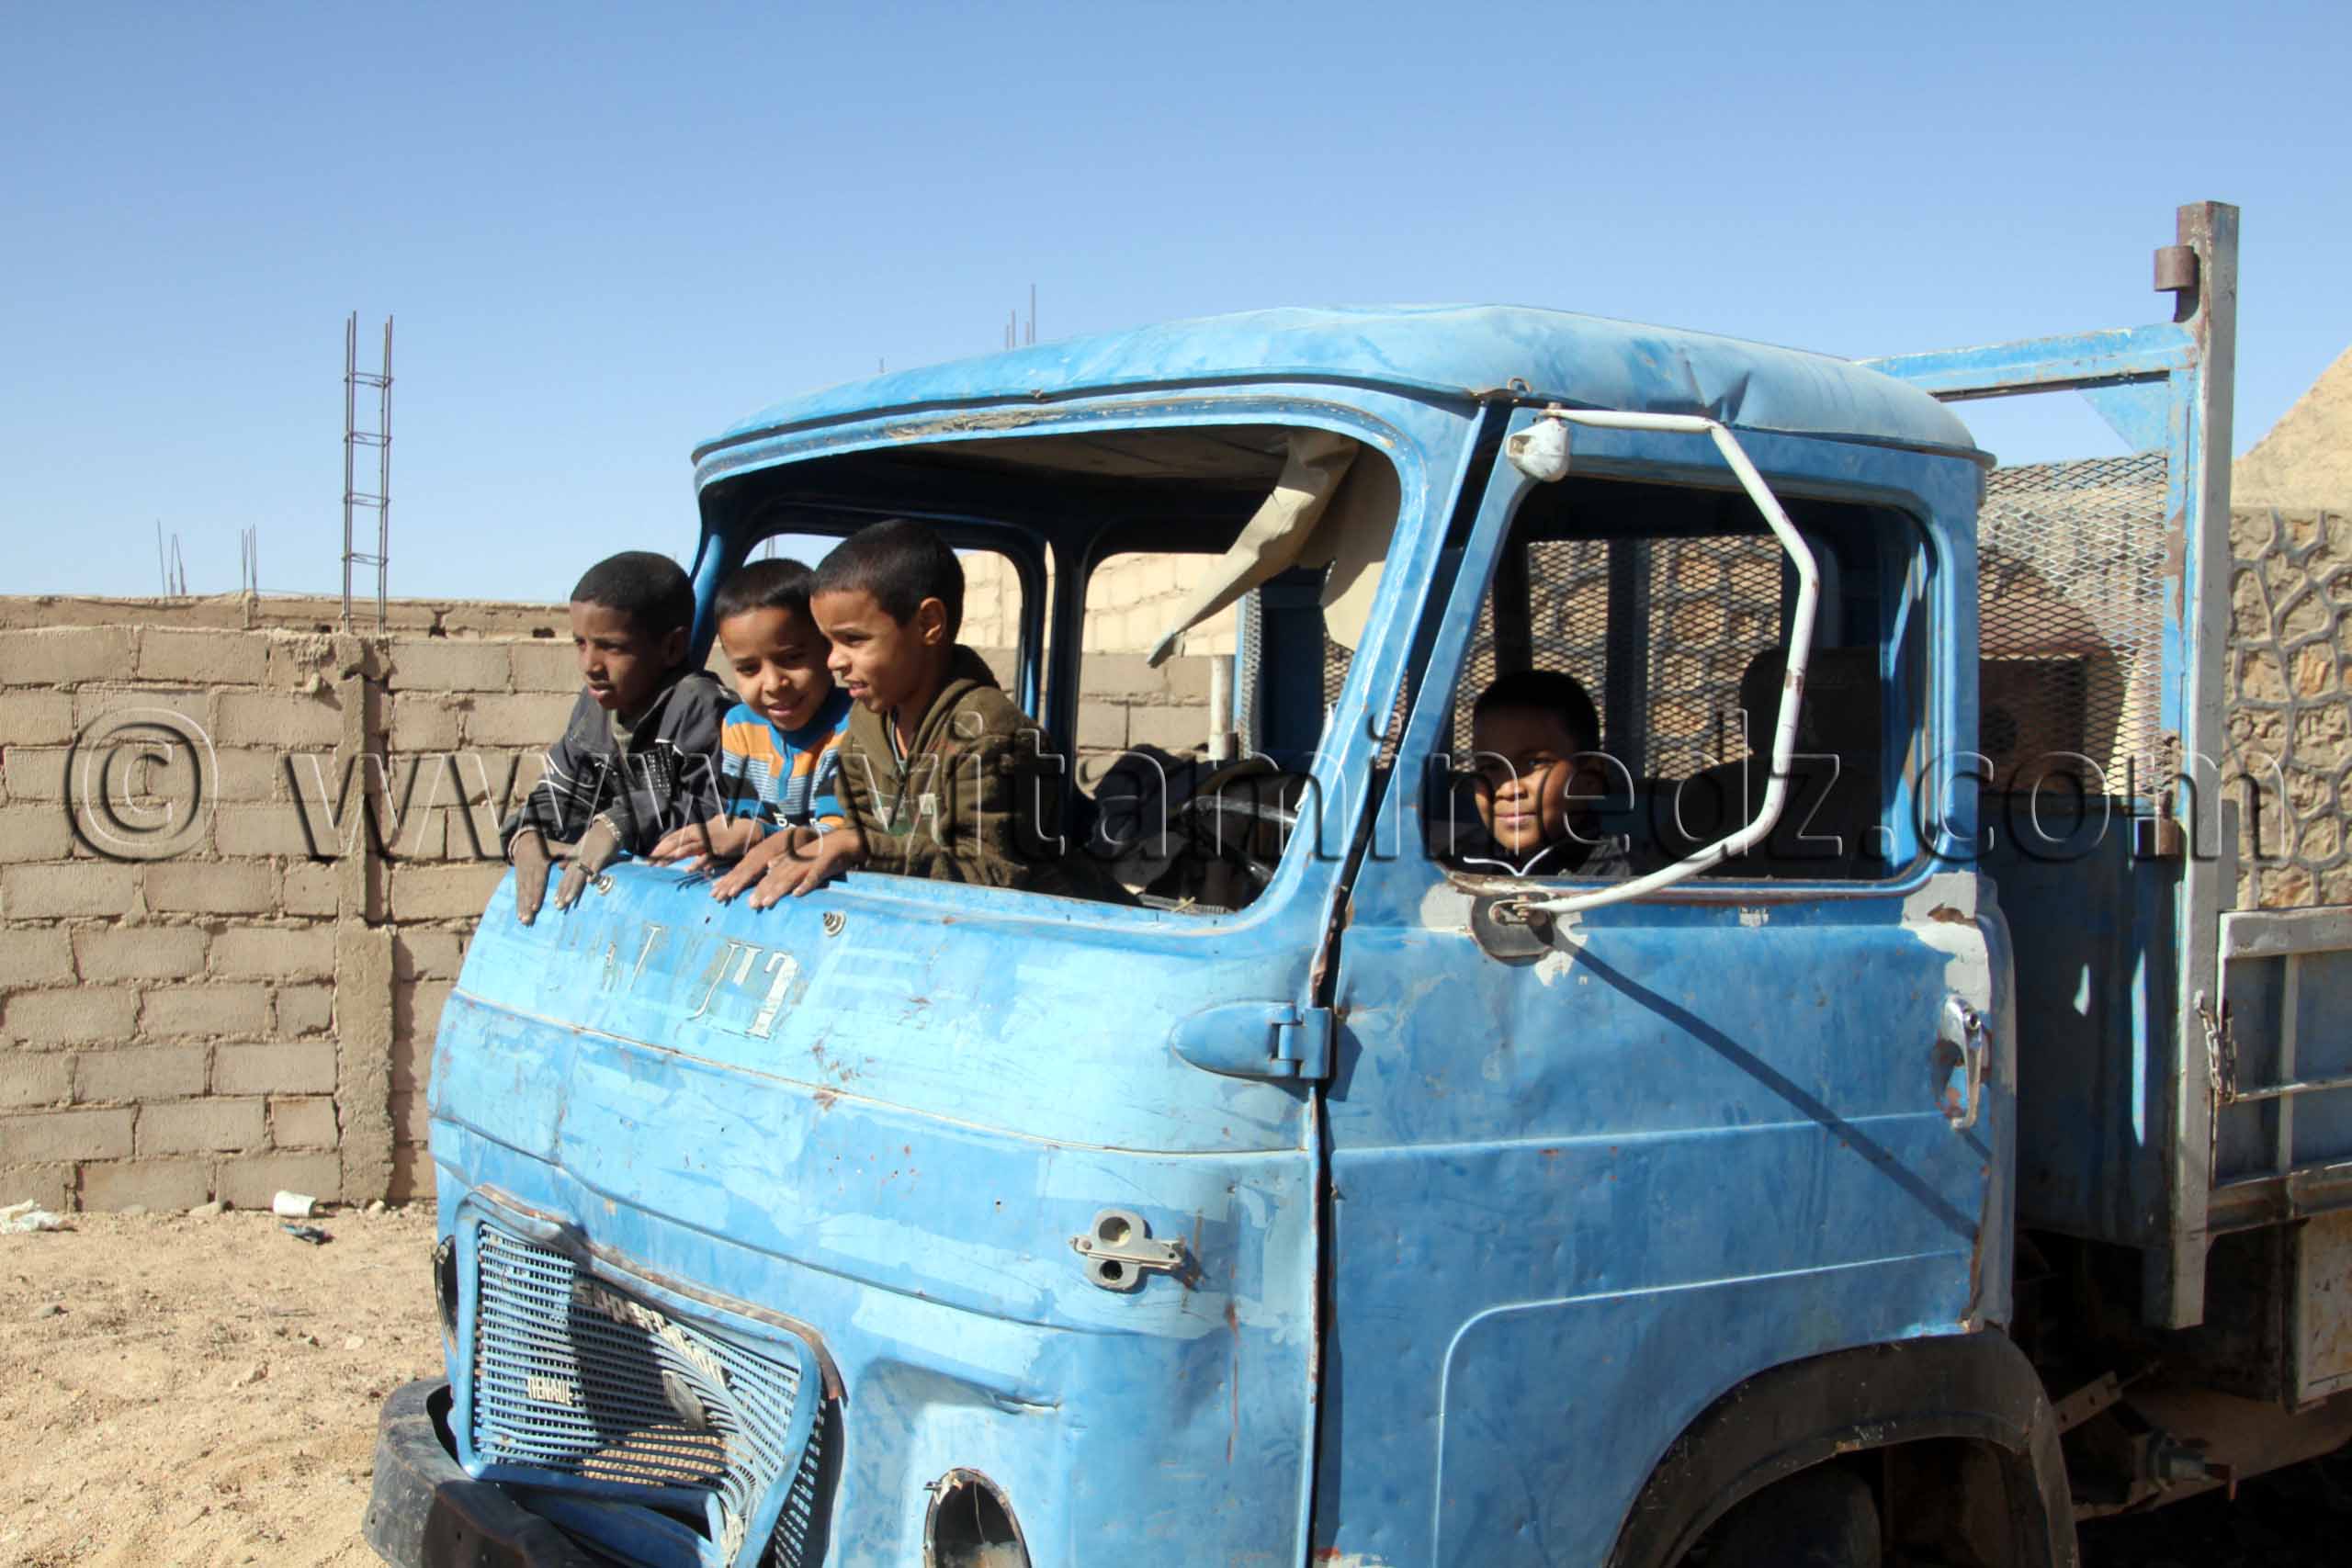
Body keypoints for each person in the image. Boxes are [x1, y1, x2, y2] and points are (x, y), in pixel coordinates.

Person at [741, 518, 1121, 906]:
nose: (835, 661)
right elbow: (863, 835)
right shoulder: (865, 730)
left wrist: (863, 848)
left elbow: (996, 877)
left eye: (853, 640)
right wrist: (815, 840)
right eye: (828, 642)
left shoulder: (990, 736)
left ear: (928, 624)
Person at [500, 550, 732, 923]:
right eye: (581, 643)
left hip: (691, 911)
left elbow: (712, 813)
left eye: (612, 647)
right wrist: (528, 833)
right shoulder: (595, 711)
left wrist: (620, 823)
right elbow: (563, 789)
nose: (590, 665)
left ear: (672, 647)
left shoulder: (699, 707)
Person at [646, 558, 854, 899]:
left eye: (791, 659)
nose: (773, 683)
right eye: (748, 669)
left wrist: (760, 834)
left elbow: (842, 834)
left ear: (827, 648)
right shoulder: (740, 725)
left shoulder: (855, 726)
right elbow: (742, 819)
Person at [1454, 669, 1634, 879]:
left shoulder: (1617, 880)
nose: (1509, 790)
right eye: (1490, 767)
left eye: (1535, 763)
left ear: (1590, 778)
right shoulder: (1457, 865)